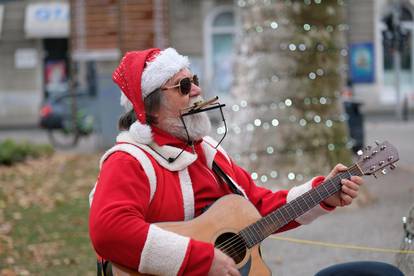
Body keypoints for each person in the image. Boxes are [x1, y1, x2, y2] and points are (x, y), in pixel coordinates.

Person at [88, 48, 395, 276]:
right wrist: (201, 258)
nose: (197, 90)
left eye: (193, 80)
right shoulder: (130, 160)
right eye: (183, 87)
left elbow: (257, 207)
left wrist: (321, 194)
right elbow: (108, 231)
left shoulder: (208, 152)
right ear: (151, 109)